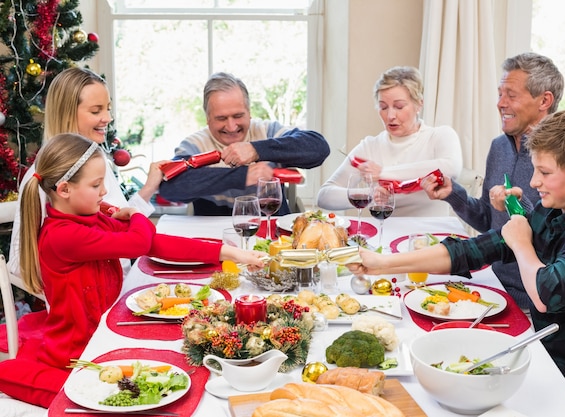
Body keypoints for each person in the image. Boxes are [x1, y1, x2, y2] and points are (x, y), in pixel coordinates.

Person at [349, 110, 565, 417]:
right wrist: (381, 264)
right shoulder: (553, 210)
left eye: (545, 173)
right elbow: (471, 252)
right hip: (552, 364)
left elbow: (549, 293)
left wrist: (521, 244)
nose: (534, 182)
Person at [0, 134, 266, 408]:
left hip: (108, 333)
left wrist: (229, 252)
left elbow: (152, 242)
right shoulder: (63, 236)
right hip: (81, 351)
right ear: (65, 189)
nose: (104, 191)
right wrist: (137, 214)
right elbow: (140, 241)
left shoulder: (92, 220)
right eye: (95, 185)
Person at [421, 52, 564, 310]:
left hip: (535, 304)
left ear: (544, 100)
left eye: (511, 95)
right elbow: (489, 221)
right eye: (500, 94)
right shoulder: (499, 147)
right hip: (493, 287)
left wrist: (517, 208)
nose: (500, 103)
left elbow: (556, 241)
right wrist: (453, 194)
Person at [8, 67, 167, 278]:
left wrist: (148, 189)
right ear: (67, 113)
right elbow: (19, 264)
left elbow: (118, 221)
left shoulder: (94, 159)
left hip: (122, 284)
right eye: (96, 111)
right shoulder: (45, 176)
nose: (108, 118)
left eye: (108, 109)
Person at [158, 72, 330, 216]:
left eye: (238, 116)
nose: (231, 126)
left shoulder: (267, 131)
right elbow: (171, 187)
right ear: (208, 118)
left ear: (249, 113)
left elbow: (319, 148)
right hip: (216, 241)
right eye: (221, 118)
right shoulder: (195, 144)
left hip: (273, 236)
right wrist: (242, 176)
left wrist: (256, 150)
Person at [316, 66, 463, 217]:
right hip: (382, 236)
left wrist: (383, 173)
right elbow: (324, 196)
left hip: (431, 237)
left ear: (419, 104)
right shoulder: (370, 146)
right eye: (383, 107)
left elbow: (451, 168)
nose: (390, 115)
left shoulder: (439, 136)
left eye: (399, 106)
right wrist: (371, 193)